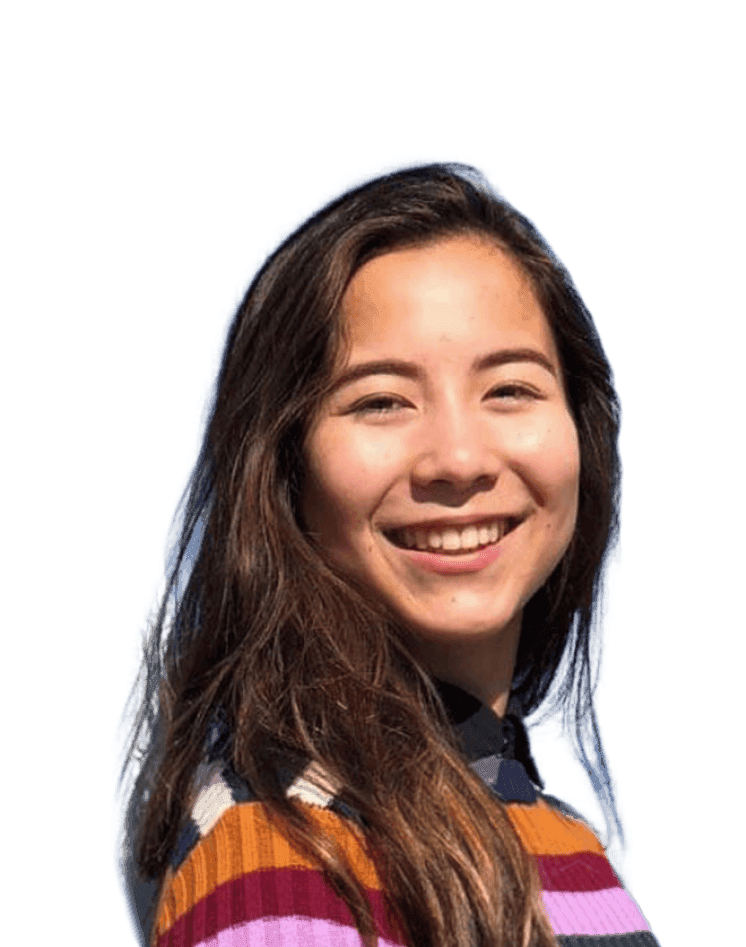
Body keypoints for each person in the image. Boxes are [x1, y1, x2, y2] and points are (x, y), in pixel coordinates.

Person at [111, 157, 661, 947]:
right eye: (381, 401)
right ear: (286, 472)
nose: (459, 459)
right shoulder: (276, 852)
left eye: (510, 388)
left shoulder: (570, 847)